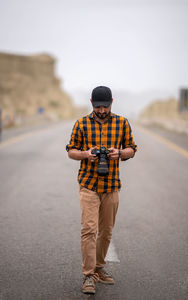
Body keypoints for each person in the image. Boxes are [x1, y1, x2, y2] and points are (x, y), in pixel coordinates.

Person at [66, 86, 137, 294]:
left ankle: (98, 268)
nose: (102, 111)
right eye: (98, 107)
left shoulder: (122, 122)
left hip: (112, 185)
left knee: (106, 232)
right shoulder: (81, 123)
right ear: (91, 103)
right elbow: (71, 151)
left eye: (105, 106)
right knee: (89, 229)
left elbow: (132, 148)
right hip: (88, 183)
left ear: (112, 102)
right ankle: (89, 276)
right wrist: (86, 154)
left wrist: (120, 153)